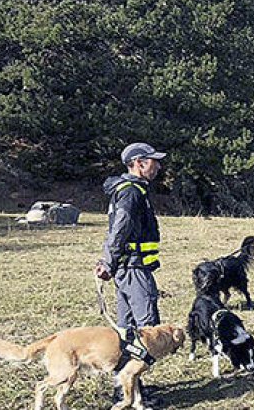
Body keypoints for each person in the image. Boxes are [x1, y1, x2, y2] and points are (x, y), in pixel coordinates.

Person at [94, 142, 166, 406]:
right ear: (139, 163)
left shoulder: (130, 190)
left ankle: (127, 388)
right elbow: (120, 229)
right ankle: (136, 395)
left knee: (126, 332)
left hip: (127, 269)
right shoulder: (131, 193)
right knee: (146, 332)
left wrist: (109, 262)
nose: (158, 166)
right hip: (133, 269)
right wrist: (108, 263)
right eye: (153, 161)